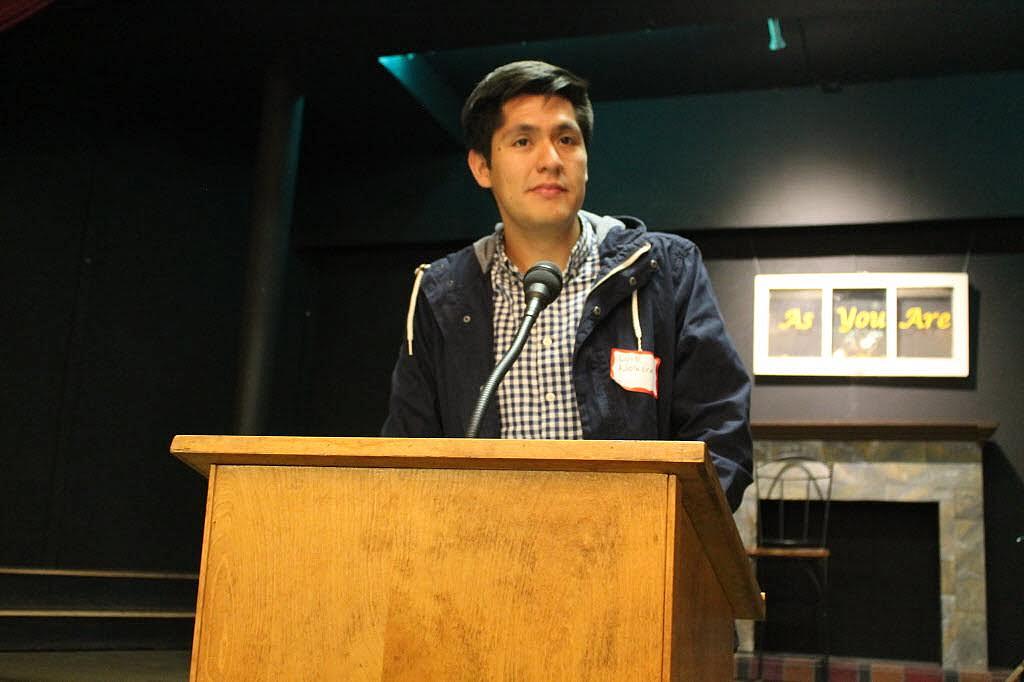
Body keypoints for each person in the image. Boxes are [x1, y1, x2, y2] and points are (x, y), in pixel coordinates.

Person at [382, 60, 752, 510]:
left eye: (566, 139)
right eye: (522, 141)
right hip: (486, 563)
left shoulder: (663, 268)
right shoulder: (441, 292)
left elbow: (720, 431)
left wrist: (666, 533)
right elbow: (408, 451)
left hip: (633, 561)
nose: (551, 160)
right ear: (482, 167)